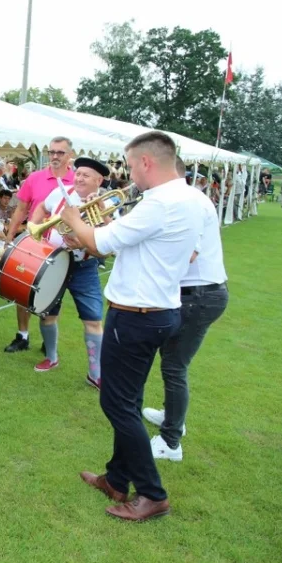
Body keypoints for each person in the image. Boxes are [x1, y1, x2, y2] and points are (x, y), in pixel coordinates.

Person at [61, 131, 202, 522]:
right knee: (129, 399)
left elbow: (100, 245)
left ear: (145, 163)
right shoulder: (188, 196)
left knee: (117, 403)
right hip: (159, 310)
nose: (129, 173)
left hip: (136, 314)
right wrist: (104, 222)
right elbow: (131, 240)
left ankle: (152, 493)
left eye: (130, 164)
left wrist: (75, 216)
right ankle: (117, 477)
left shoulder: (159, 203)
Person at [141, 156, 229, 462]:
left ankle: (171, 442)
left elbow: (187, 255)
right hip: (196, 294)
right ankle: (171, 416)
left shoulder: (191, 202)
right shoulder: (190, 199)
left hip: (199, 295)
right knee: (171, 359)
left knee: (174, 366)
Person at [26, 157, 109, 385]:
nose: (79, 178)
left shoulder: (106, 203)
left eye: (86, 175)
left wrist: (84, 241)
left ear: (98, 180)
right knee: (47, 315)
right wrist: (34, 226)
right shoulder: (62, 192)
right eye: (78, 173)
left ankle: (96, 373)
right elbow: (42, 207)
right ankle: (51, 358)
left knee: (93, 320)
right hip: (54, 262)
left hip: (84, 267)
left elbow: (110, 240)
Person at [3, 136, 75, 354]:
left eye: (60, 152)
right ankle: (22, 335)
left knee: (53, 292)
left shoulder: (76, 180)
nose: (54, 156)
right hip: (34, 242)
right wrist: (10, 237)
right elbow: (21, 209)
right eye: (52, 151)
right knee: (22, 287)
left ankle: (47, 337)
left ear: (69, 155)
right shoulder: (35, 178)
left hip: (62, 245)